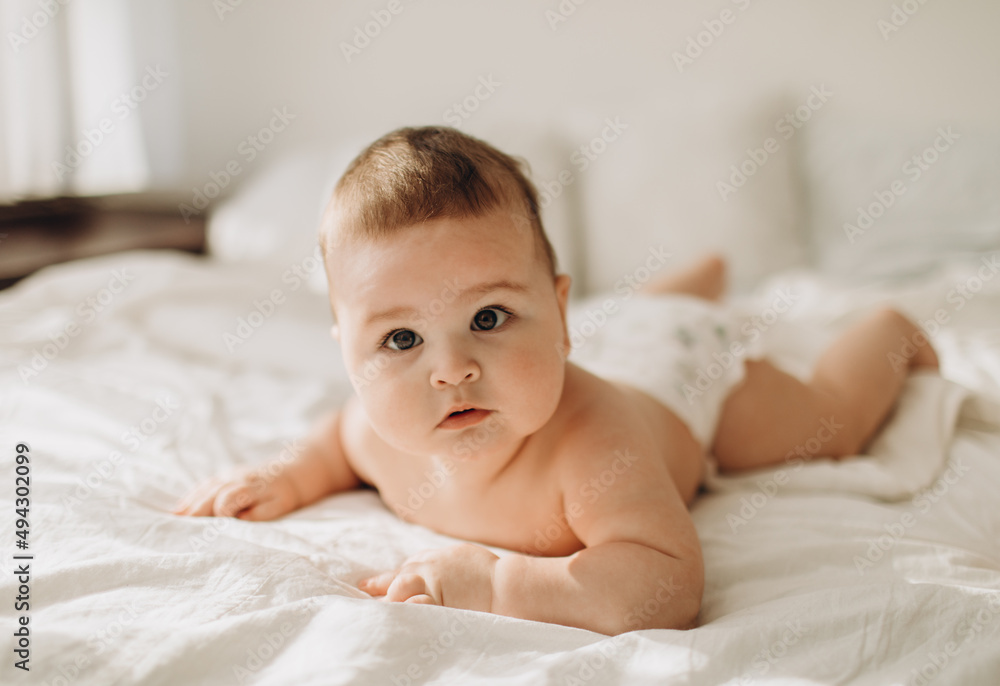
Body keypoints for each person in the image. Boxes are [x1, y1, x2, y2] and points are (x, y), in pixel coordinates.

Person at [172, 126, 939, 635]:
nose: (451, 369)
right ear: (348, 354)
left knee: (827, 426)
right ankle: (688, 281)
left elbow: (666, 586)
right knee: (640, 318)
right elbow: (334, 443)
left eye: (490, 317)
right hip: (618, 334)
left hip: (682, 374)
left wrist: (499, 585)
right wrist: (290, 475)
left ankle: (886, 331)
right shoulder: (378, 429)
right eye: (401, 338)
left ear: (558, 314)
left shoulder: (592, 444)